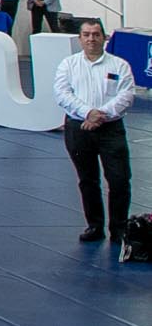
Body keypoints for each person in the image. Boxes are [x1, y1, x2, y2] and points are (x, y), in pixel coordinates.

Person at [54, 18, 133, 245]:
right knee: (87, 180)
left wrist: (101, 115)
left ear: (104, 37)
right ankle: (95, 225)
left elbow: (126, 96)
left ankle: (119, 228)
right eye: (86, 35)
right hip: (79, 128)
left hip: (111, 129)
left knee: (119, 180)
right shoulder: (68, 65)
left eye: (96, 34)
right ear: (80, 39)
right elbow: (62, 94)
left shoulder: (119, 65)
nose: (91, 39)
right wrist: (88, 113)